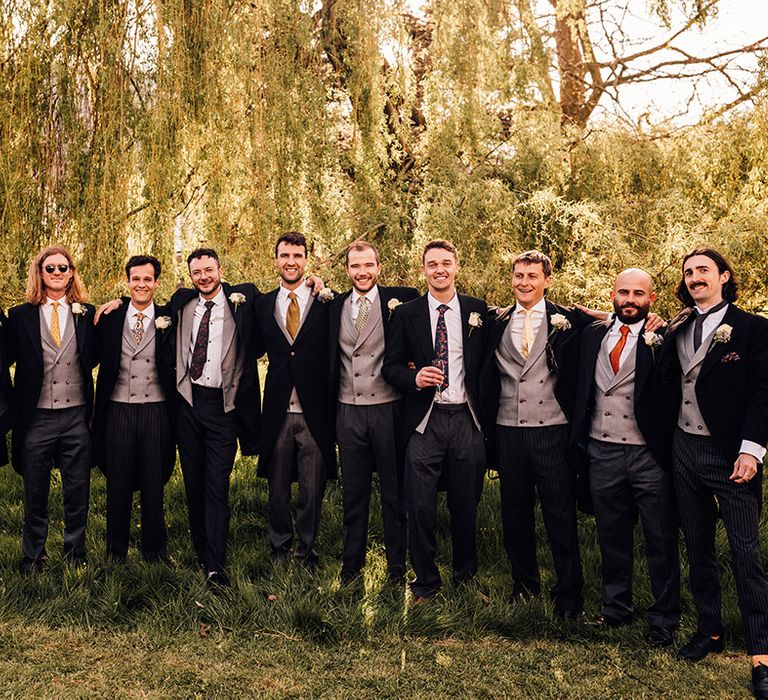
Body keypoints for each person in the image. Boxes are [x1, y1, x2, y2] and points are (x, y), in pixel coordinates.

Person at [656, 247, 768, 699]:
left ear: (724, 276)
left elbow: (764, 394)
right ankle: (710, 628)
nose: (695, 277)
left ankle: (762, 654)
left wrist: (752, 452)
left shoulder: (753, 329)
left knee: (746, 554)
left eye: (703, 270)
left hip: (730, 455)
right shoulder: (677, 325)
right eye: (689, 272)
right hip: (684, 448)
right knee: (698, 546)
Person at [571, 268, 680, 645]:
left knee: (659, 538)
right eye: (623, 293)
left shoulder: (663, 338)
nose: (630, 299)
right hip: (602, 450)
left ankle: (664, 618)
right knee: (611, 536)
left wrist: (663, 325)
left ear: (651, 298)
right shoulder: (592, 336)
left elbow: (691, 319)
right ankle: (616, 608)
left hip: (648, 455)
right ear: (612, 295)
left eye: (638, 293)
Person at [382, 239, 489, 601]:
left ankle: (466, 579)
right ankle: (425, 582)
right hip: (423, 422)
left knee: (465, 504)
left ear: (457, 266)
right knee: (421, 506)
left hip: (465, 418)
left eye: (446, 263)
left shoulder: (478, 311)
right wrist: (414, 378)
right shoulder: (406, 314)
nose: (439, 270)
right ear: (424, 270)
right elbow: (390, 367)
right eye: (432, 264)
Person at [328, 240, 418, 585]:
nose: (362, 272)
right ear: (347, 270)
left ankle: (397, 570)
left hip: (388, 409)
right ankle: (351, 570)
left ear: (378, 268)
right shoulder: (334, 305)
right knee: (353, 493)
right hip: (348, 411)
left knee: (395, 494)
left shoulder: (402, 300)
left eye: (368, 266)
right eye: (354, 266)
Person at [171, 248, 261, 587]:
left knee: (216, 485)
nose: (204, 277)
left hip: (225, 407)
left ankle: (215, 564)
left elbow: (282, 299)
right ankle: (201, 547)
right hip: (189, 404)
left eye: (209, 270)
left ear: (220, 270)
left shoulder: (244, 299)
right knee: (193, 482)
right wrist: (116, 303)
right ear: (191, 276)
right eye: (197, 272)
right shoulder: (182, 303)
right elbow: (143, 303)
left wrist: (313, 283)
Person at [6, 245, 97, 573]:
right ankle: (33, 556)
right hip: (37, 417)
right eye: (50, 269)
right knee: (35, 490)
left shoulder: (87, 313)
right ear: (40, 274)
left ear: (71, 272)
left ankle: (75, 554)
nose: (57, 273)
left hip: (76, 415)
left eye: (63, 268)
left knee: (78, 489)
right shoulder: (20, 316)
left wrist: (119, 304)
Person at [255, 232, 334, 566]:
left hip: (314, 409)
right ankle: (279, 547)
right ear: (275, 260)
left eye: (297, 255)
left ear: (306, 260)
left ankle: (306, 550)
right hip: (277, 409)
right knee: (277, 488)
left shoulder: (326, 302)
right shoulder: (261, 303)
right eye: (284, 255)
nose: (291, 261)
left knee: (311, 489)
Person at [94, 255, 176, 562]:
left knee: (154, 483)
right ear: (127, 282)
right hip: (117, 409)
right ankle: (116, 552)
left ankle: (154, 552)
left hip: (156, 409)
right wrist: (111, 303)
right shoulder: (111, 317)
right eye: (135, 279)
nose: (141, 284)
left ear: (156, 282)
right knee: (118, 484)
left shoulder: (171, 316)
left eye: (147, 279)